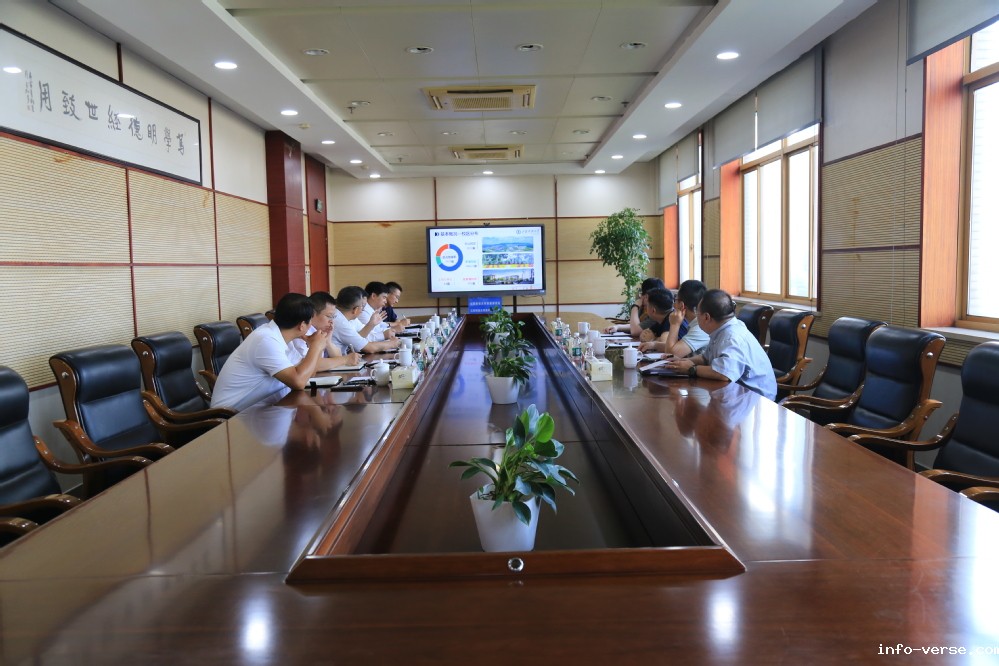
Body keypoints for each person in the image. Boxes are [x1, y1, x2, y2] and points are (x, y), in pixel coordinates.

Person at [210, 293, 329, 411]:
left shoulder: (282, 337)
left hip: (264, 411)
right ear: (302, 325)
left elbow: (308, 374)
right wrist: (315, 347)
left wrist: (315, 346)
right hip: (232, 416)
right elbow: (298, 382)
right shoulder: (266, 340)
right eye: (310, 322)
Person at [664, 289, 777, 400]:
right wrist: (681, 362)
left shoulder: (732, 337)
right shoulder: (723, 329)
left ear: (706, 317)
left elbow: (724, 373)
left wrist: (691, 369)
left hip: (758, 400)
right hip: (739, 394)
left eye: (697, 314)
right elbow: (706, 358)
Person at [290, 291, 363, 369]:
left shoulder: (319, 331)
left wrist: (328, 340)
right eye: (329, 316)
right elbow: (313, 365)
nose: (331, 321)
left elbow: (338, 356)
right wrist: (345, 360)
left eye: (333, 317)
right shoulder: (302, 331)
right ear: (313, 314)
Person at [639, 279, 708, 357]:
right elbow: (676, 347)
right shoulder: (694, 324)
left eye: (675, 300)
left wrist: (674, 324)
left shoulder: (700, 328)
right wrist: (654, 345)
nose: (673, 305)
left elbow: (671, 353)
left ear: (681, 305)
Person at [330, 285, 398, 354]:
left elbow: (360, 338)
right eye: (363, 306)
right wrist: (392, 344)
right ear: (356, 309)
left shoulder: (349, 318)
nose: (363, 309)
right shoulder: (340, 322)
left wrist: (371, 324)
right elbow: (369, 348)